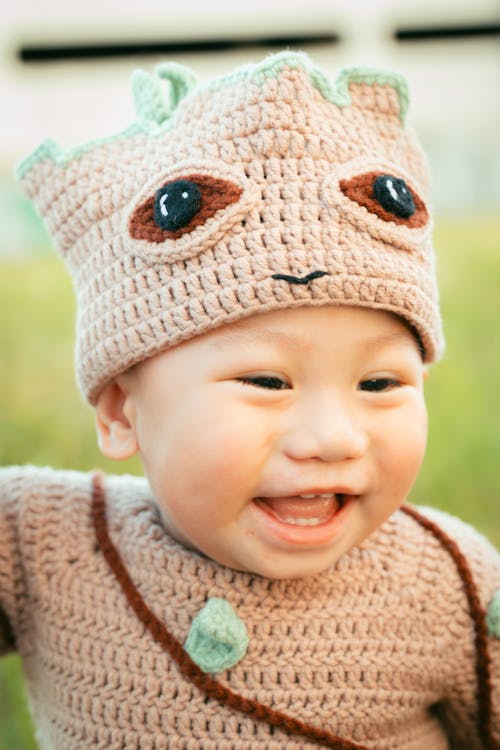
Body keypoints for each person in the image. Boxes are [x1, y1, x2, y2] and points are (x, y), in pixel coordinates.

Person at [1, 50, 499, 750]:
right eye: (266, 382)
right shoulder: (41, 544)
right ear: (121, 411)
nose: (333, 437)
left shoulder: (451, 581)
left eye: (380, 384)